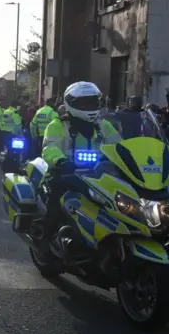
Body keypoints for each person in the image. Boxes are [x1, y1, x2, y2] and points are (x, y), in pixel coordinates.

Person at [41, 82, 122, 259]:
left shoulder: (103, 126)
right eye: (85, 104)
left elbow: (120, 147)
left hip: (99, 176)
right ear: (72, 104)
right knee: (56, 203)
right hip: (65, 173)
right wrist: (61, 161)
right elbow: (49, 148)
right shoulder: (58, 125)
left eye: (93, 103)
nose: (90, 107)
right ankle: (45, 244)